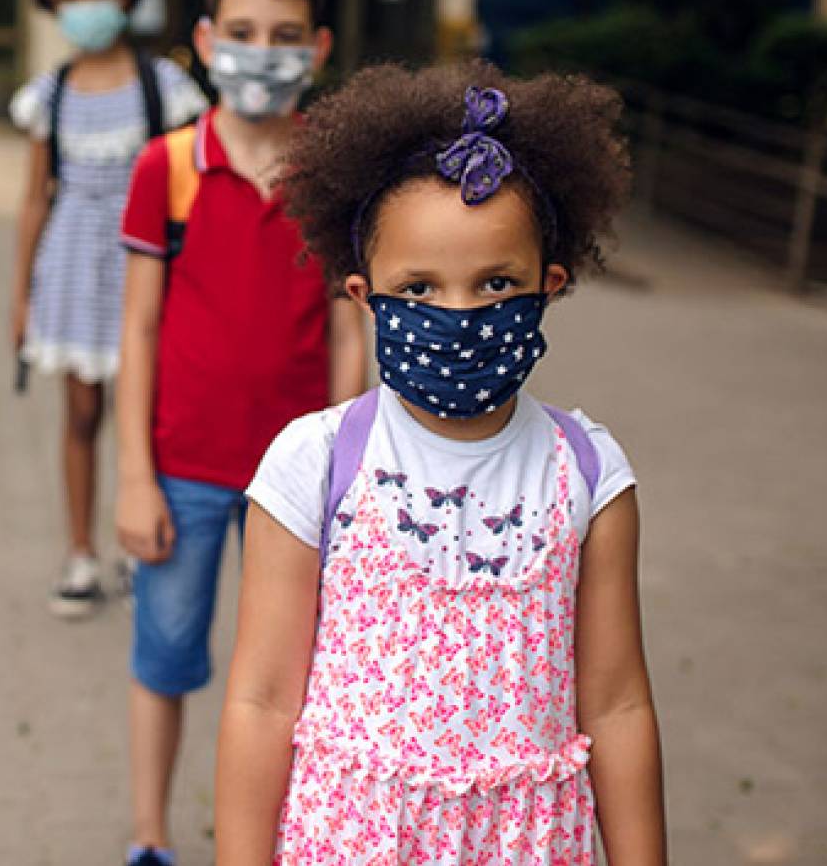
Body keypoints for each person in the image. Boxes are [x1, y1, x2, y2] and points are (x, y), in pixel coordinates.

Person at [215, 63, 667, 864]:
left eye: (496, 283)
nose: (458, 315)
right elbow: (260, 699)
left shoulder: (590, 473)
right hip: (351, 842)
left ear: (549, 286)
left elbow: (619, 702)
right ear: (363, 295)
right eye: (418, 288)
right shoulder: (313, 464)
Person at [114, 0, 368, 865]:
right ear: (207, 37)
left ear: (320, 46)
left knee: (287, 680)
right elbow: (137, 331)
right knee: (166, 659)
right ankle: (149, 838)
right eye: (246, 31)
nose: (264, 50)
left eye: (286, 34)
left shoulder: (335, 182)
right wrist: (133, 476)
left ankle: (273, 841)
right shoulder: (165, 168)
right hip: (181, 467)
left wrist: (348, 476)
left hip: (298, 490)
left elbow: (352, 332)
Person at [10, 0, 207, 619]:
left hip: (147, 267)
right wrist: (20, 296)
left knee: (147, 408)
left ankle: (138, 537)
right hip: (70, 267)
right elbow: (36, 198)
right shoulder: (51, 94)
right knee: (82, 412)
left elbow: (193, 189)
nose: (85, 7)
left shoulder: (164, 88)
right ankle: (80, 552)